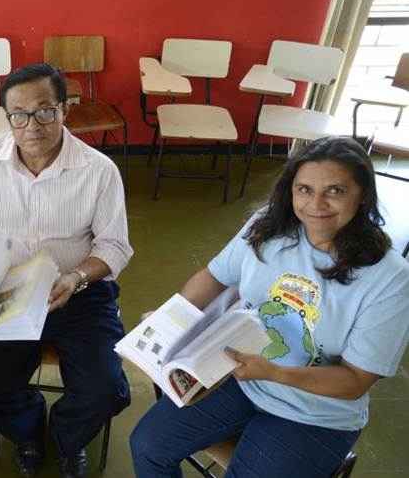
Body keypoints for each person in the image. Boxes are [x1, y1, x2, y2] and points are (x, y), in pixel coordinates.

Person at [130, 137, 409, 478]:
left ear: (363, 194)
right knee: (148, 446)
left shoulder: (391, 278)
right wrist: (168, 320)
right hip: (241, 379)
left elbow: (354, 381)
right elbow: (214, 277)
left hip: (316, 412)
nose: (315, 204)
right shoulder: (268, 227)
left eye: (334, 190)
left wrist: (272, 372)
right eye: (304, 189)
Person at [0, 63, 133, 477]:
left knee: (107, 391)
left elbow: (112, 246)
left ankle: (67, 438)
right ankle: (29, 432)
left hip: (78, 288)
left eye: (45, 110)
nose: (32, 125)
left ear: (65, 110)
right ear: (7, 118)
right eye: (18, 115)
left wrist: (76, 277)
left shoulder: (99, 171)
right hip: (6, 289)